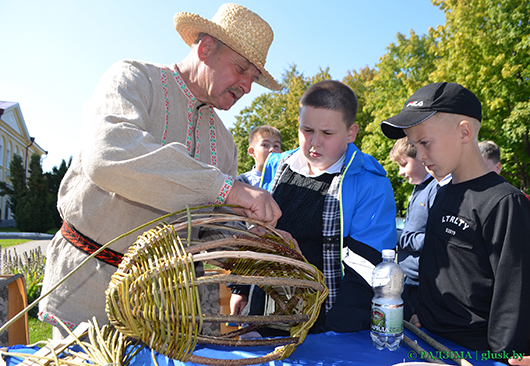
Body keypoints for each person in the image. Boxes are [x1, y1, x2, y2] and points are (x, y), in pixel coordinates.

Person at [39, 3, 283, 337]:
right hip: (88, 294)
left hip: (171, 310)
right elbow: (107, 155)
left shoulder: (225, 143)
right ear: (205, 47)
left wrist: (253, 244)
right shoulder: (135, 79)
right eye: (241, 68)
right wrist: (228, 188)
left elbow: (207, 229)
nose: (246, 86)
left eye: (253, 77)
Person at [232, 80, 397, 333]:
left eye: (327, 133)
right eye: (306, 130)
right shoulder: (277, 165)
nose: (314, 142)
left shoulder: (369, 181)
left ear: (351, 132)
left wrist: (337, 332)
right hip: (264, 307)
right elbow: (258, 232)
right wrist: (241, 287)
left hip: (327, 318)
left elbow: (366, 265)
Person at [380, 82, 530, 354]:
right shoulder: (441, 193)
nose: (421, 155)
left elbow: (514, 299)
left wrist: (503, 357)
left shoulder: (505, 202)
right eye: (414, 146)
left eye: (424, 143)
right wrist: (422, 314)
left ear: (464, 131)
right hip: (426, 340)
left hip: (475, 352)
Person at [389, 137, 438, 321]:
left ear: (422, 158)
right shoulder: (418, 189)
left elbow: (433, 239)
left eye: (404, 164)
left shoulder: (435, 189)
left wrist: (396, 236)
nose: (401, 172)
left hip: (420, 285)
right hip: (406, 282)